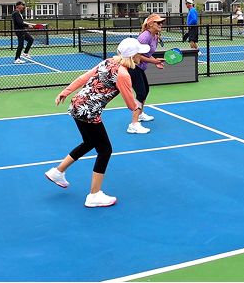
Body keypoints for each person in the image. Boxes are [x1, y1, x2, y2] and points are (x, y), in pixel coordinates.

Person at [44, 37, 150, 207]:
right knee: (105, 150)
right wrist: (137, 106)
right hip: (89, 112)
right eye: (140, 53)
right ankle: (94, 195)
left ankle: (58, 172)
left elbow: (84, 77)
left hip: (77, 105)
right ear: (133, 55)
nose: (142, 56)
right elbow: (131, 103)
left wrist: (66, 91)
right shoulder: (123, 74)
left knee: (89, 142)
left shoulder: (108, 62)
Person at [130, 13, 166, 133]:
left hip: (141, 67)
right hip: (133, 67)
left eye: (162, 22)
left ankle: (140, 114)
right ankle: (133, 124)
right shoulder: (144, 37)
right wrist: (153, 61)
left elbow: (148, 53)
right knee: (140, 93)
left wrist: (155, 61)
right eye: (158, 22)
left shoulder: (155, 35)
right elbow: (137, 55)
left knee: (146, 90)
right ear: (150, 24)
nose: (161, 24)